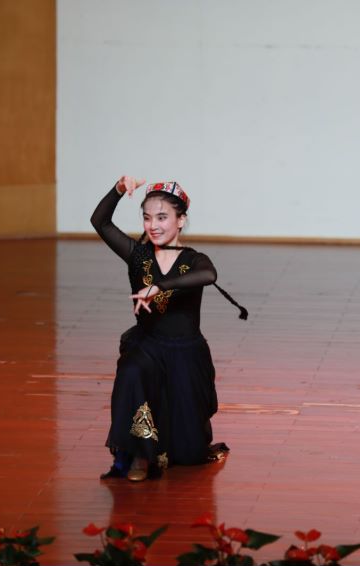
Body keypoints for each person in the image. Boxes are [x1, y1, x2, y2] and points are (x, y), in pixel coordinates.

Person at [90, 175, 243, 482]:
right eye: (147, 218)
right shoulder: (138, 256)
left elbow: (209, 275)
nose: (153, 225)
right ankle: (138, 455)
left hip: (186, 354)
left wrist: (159, 286)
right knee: (131, 372)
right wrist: (118, 189)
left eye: (162, 217)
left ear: (180, 220)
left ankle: (172, 446)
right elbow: (100, 222)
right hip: (149, 345)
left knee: (187, 452)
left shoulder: (195, 260)